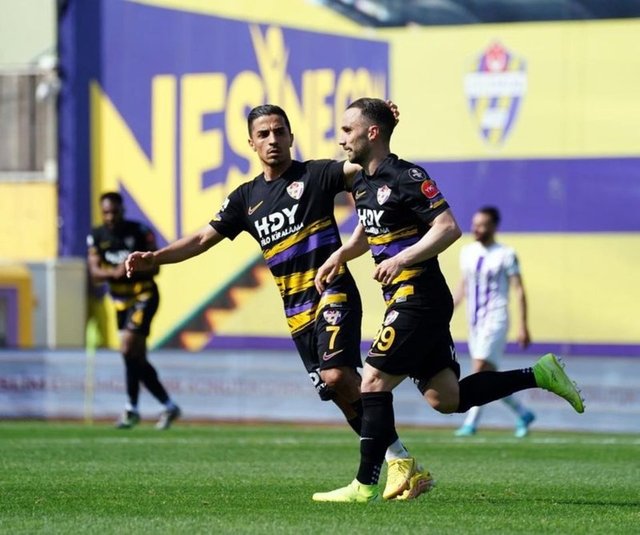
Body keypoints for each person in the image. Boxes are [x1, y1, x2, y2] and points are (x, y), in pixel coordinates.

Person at [125, 104, 432, 500]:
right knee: (339, 393)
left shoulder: (316, 175)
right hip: (296, 313)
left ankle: (388, 468)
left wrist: (382, 126)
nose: (273, 140)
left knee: (337, 376)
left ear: (290, 137)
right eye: (264, 134)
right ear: (251, 143)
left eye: (279, 132)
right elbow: (201, 239)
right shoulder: (246, 198)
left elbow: (366, 165)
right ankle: (400, 461)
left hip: (332, 292)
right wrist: (155, 258)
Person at [311, 97, 584, 503]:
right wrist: (339, 256)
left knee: (372, 381)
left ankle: (365, 484)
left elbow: (448, 227)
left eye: (348, 130)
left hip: (419, 297)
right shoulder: (361, 183)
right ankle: (540, 374)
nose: (341, 138)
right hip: (405, 298)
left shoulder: (407, 176)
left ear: (372, 133)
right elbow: (368, 232)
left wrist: (402, 258)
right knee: (446, 399)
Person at [87, 192, 181, 430]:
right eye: (106, 212)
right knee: (135, 357)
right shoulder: (97, 236)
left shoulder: (139, 231)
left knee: (127, 348)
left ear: (122, 210)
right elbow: (95, 273)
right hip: (120, 303)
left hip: (144, 296)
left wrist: (133, 269)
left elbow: (155, 268)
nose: (110, 217)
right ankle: (167, 405)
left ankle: (132, 409)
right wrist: (114, 273)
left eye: (114, 212)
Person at [453, 206, 535, 438]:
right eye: (474, 224)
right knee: (488, 376)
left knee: (480, 369)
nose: (476, 228)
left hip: (496, 318)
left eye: (482, 225)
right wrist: (447, 310)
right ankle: (523, 412)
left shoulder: (505, 254)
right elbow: (463, 286)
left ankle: (471, 423)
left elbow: (519, 290)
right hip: (474, 321)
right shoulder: (467, 252)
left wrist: (523, 325)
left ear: (493, 227)